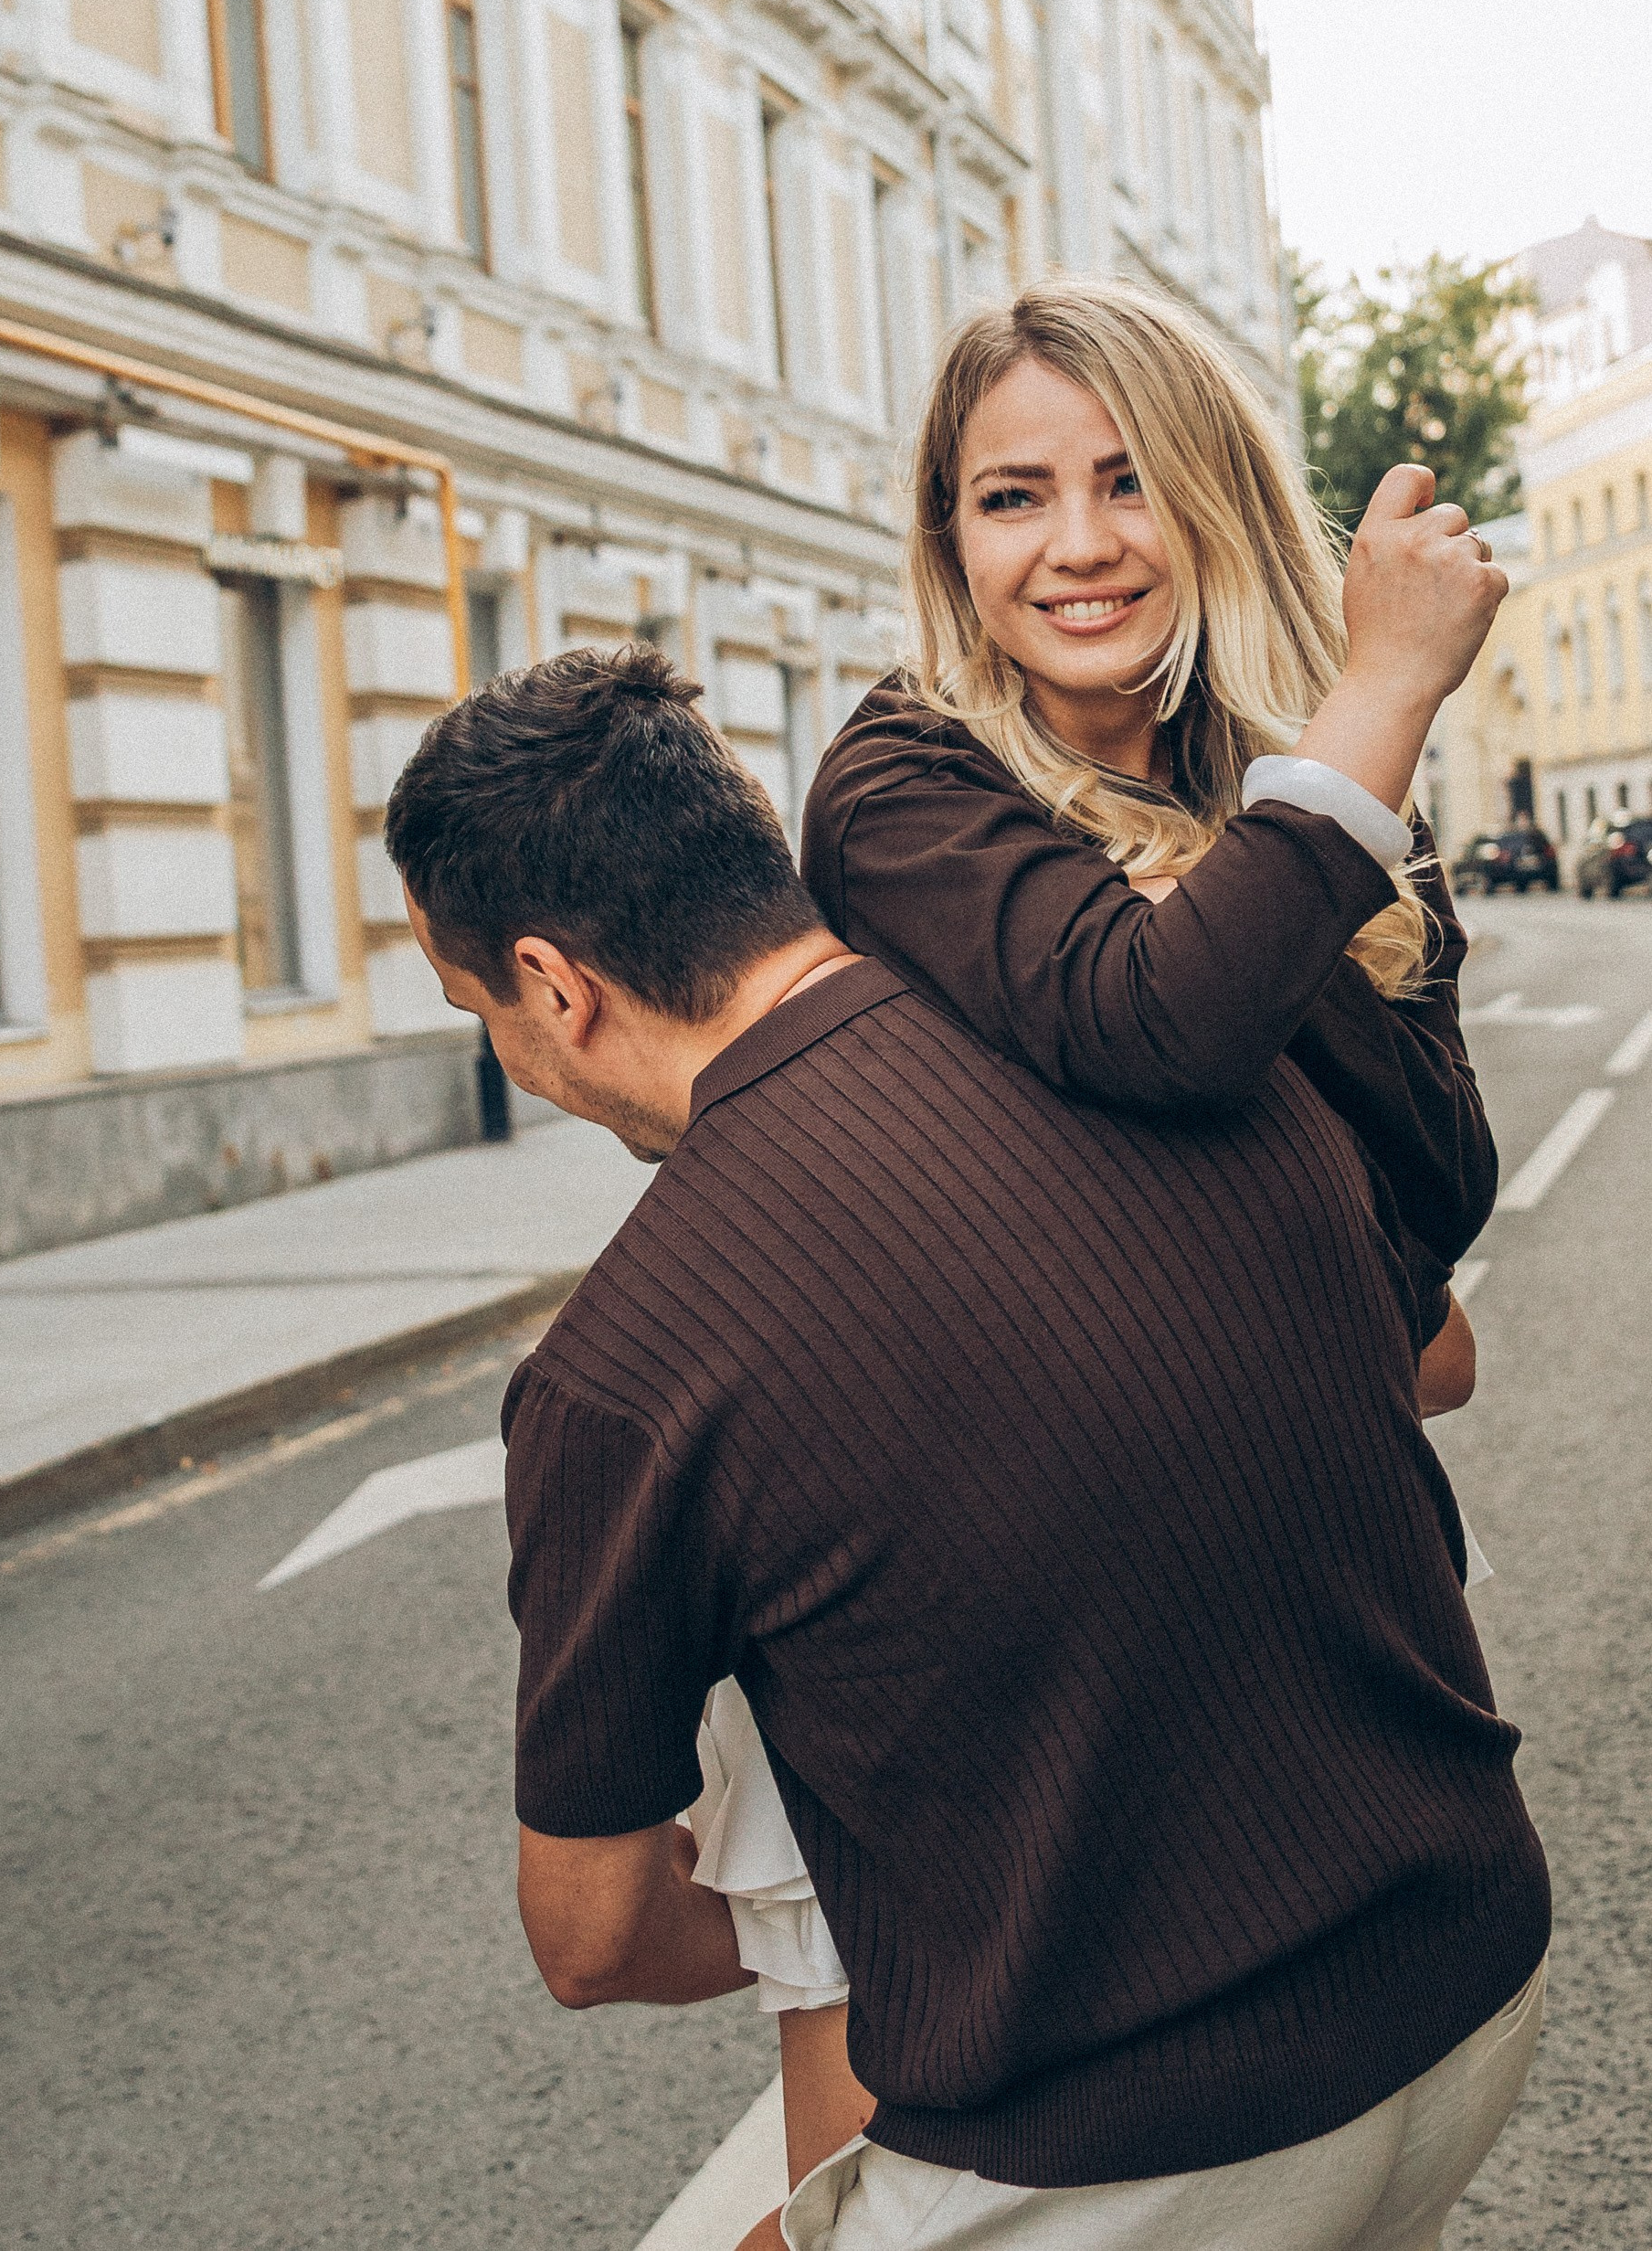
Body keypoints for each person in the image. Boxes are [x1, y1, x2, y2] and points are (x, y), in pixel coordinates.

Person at [384, 648, 1550, 2251]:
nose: (514, 1052)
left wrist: (907, 1887)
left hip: (1137, 2157)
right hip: (1473, 1986)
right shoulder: (1152, 1046)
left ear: (556, 984)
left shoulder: (621, 1372)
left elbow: (590, 1932)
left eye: (483, 1014)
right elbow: (1429, 1353)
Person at [725, 279, 1513, 2203]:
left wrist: (1262, 843)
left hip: (1310, 1623)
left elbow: (1438, 1183)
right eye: (1008, 499)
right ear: (948, 543)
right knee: (934, 2071)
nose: (1074, 547)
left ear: (1212, 499)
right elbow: (1156, 1026)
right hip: (1011, 1609)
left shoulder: (1286, 784)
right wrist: (1364, 724)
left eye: (1123, 483)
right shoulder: (904, 783)